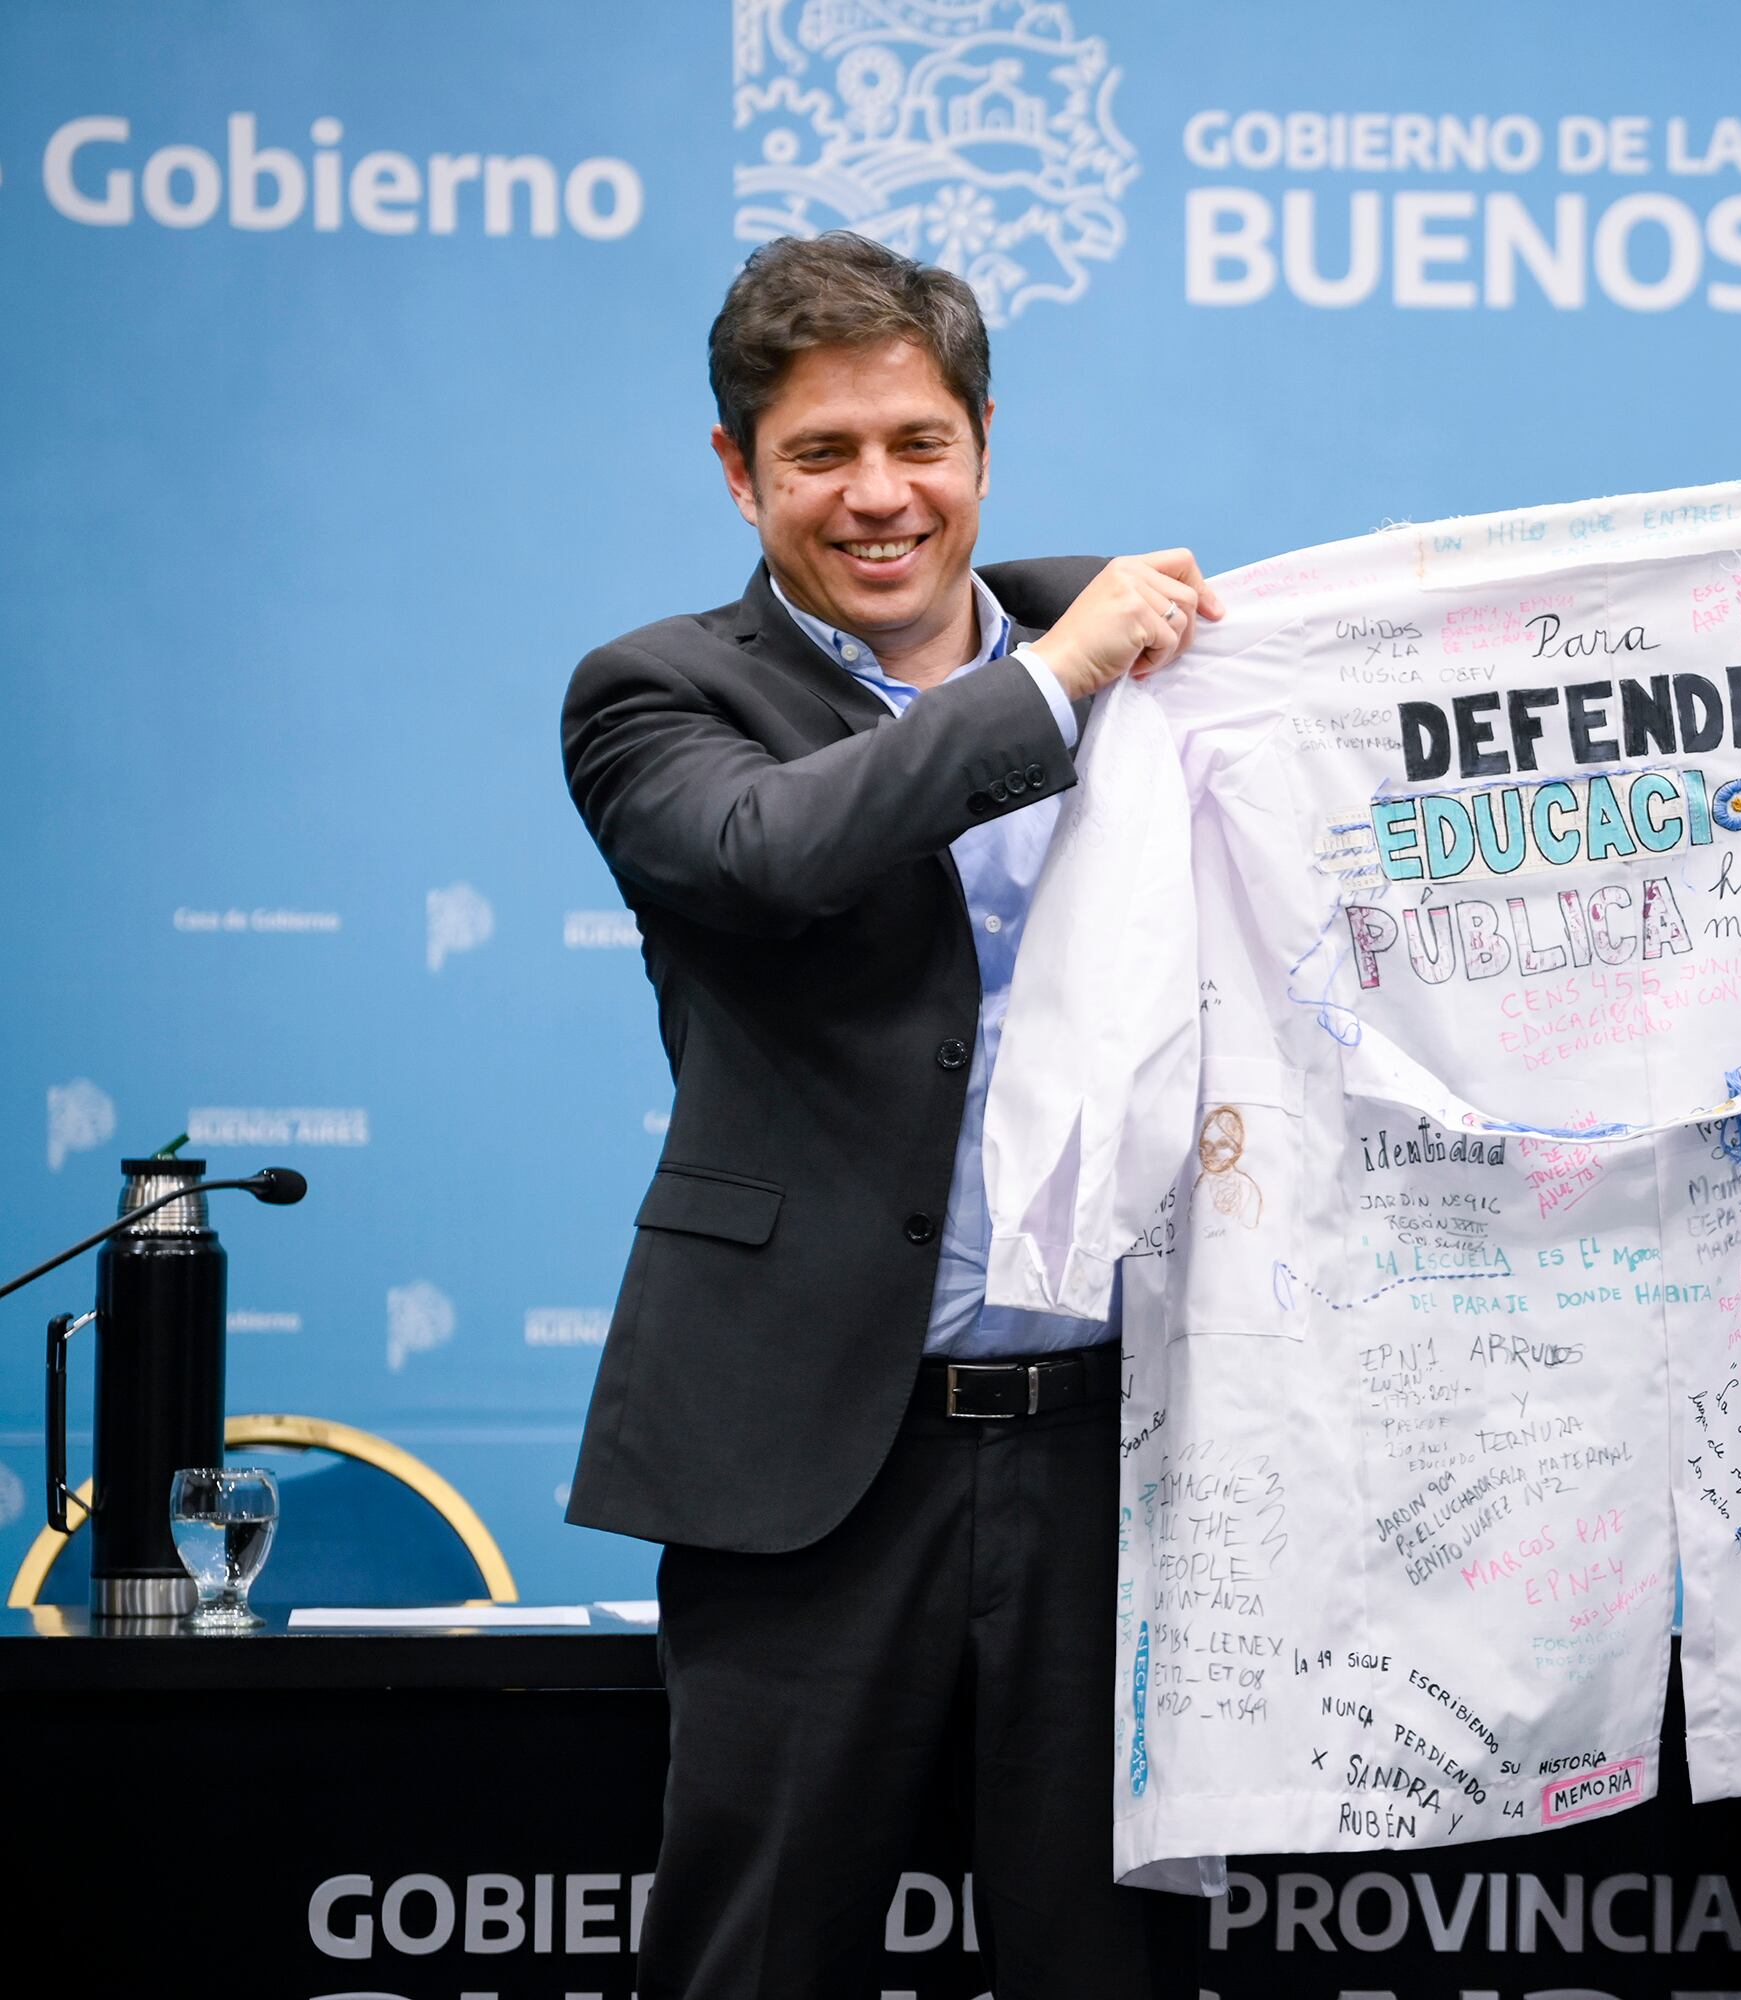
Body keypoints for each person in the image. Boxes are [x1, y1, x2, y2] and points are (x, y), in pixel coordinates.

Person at [557, 231, 1220, 1998]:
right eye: (820, 455)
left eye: (916, 443)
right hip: (809, 1465)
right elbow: (778, 854)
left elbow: (1468, 673)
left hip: (1117, 1457)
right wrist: (1052, 681)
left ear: (984, 440)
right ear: (737, 472)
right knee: (758, 1962)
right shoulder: (657, 695)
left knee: (1115, 1971)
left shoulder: (1179, 653)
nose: (878, 497)